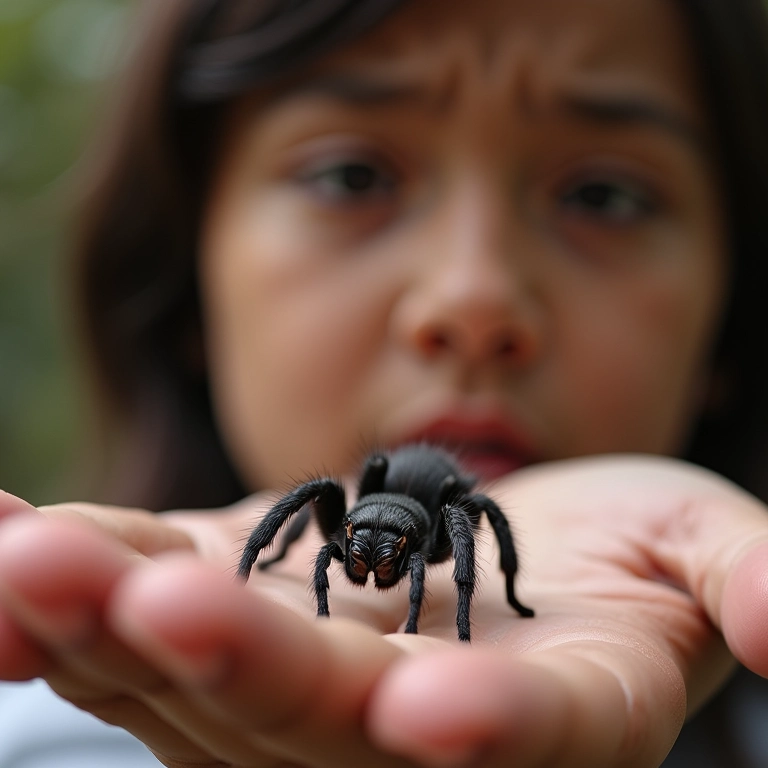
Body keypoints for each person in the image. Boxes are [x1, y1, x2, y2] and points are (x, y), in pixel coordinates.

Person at [1, 0, 768, 765]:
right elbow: (313, 504)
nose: (472, 299)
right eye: (351, 175)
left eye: (602, 195)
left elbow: (470, 522)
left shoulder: (446, 525)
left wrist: (472, 610)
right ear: (184, 291)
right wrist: (255, 569)